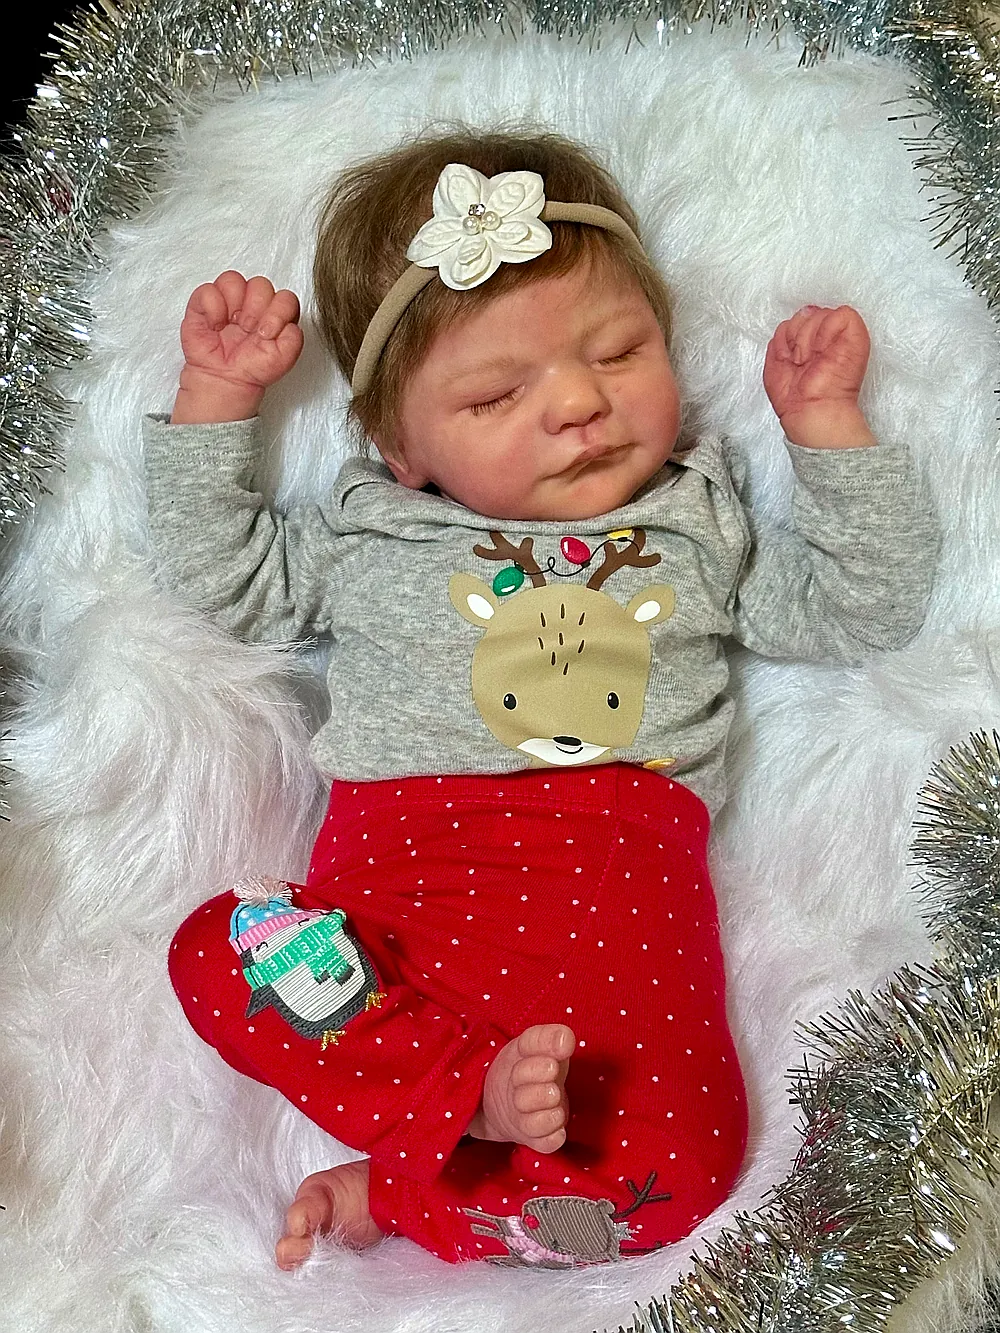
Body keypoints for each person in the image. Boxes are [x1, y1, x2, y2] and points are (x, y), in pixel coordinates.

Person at [143, 129, 940, 1270]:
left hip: (618, 928)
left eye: (619, 351)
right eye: (497, 393)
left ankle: (418, 1193)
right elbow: (225, 576)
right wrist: (216, 398)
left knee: (683, 1174)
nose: (577, 402)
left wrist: (827, 430)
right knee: (221, 948)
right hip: (396, 929)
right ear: (399, 446)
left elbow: (862, 608)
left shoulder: (697, 526)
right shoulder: (373, 532)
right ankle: (452, 1093)